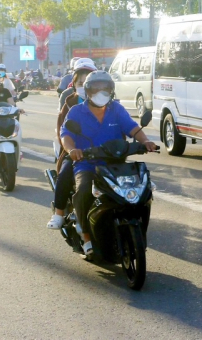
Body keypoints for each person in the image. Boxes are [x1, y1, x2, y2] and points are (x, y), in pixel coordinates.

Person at [59, 71, 156, 259]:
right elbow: (66, 136)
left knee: (142, 190)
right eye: (96, 89)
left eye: (105, 89)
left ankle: (137, 233)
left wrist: (146, 142)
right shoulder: (77, 111)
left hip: (115, 164)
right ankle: (86, 237)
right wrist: (72, 150)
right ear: (88, 91)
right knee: (84, 190)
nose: (100, 92)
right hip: (87, 165)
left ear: (111, 91)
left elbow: (133, 129)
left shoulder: (116, 109)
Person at [46, 58, 97, 230]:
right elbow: (63, 130)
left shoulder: (107, 102)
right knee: (67, 172)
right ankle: (59, 212)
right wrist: (71, 148)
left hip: (103, 151)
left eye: (87, 81)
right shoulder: (69, 103)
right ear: (74, 83)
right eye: (80, 82)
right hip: (77, 152)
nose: (83, 85)